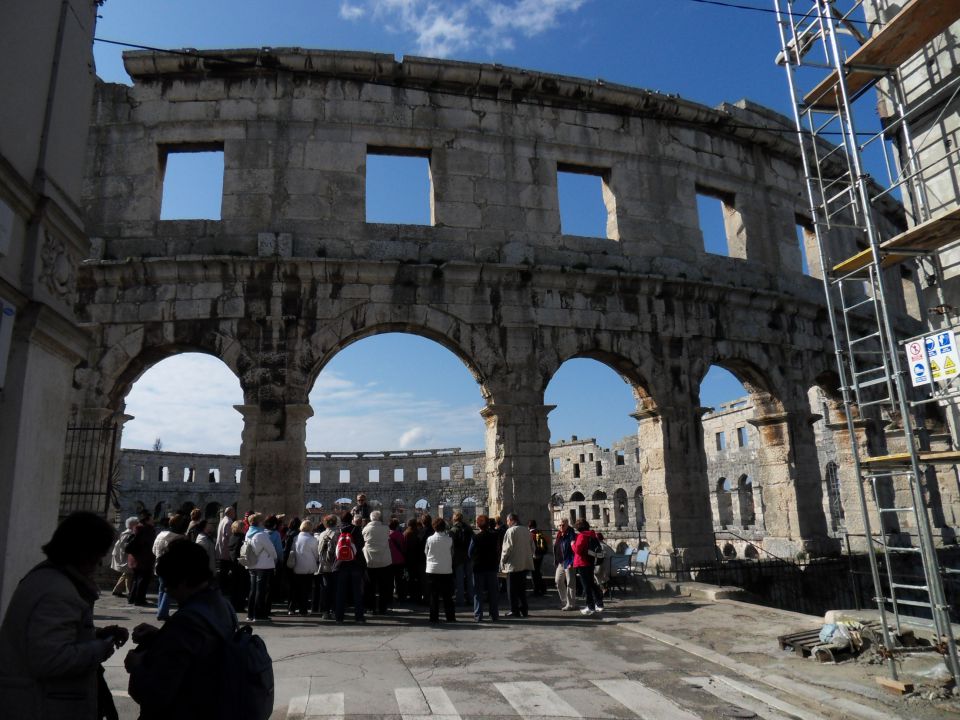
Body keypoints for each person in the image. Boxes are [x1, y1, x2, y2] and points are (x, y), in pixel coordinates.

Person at [0, 511, 129, 720]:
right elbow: (50, 659)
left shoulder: (45, 579)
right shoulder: (58, 592)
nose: (98, 565)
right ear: (86, 553)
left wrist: (92, 635)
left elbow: (45, 637)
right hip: (42, 705)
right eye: (98, 555)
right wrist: (101, 647)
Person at [125, 540, 243, 720]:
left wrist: (137, 666)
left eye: (169, 583)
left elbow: (156, 694)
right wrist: (161, 637)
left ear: (185, 580)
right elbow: (200, 650)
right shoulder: (221, 604)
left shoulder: (187, 622)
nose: (166, 589)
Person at [152, 513, 189, 621]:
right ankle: (162, 612)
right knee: (169, 589)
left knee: (161, 588)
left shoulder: (160, 535)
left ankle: (160, 610)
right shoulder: (179, 538)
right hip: (172, 566)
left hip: (159, 564)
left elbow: (153, 550)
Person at [500, 513, 534, 618]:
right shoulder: (526, 530)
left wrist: (502, 562)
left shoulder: (510, 531)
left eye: (507, 520)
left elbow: (507, 549)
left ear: (511, 520)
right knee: (521, 589)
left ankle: (514, 610)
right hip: (524, 564)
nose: (507, 523)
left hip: (513, 565)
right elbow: (533, 547)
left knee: (512, 590)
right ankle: (524, 609)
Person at [245, 513, 278, 622]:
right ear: (259, 522)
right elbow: (271, 549)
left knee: (253, 590)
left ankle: (250, 614)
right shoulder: (261, 534)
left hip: (252, 564)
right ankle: (259, 615)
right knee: (261, 590)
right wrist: (275, 557)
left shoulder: (248, 533)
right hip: (263, 565)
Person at [334, 512, 366, 623]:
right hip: (355, 563)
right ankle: (359, 617)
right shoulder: (356, 530)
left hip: (341, 564)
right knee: (357, 591)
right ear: (351, 519)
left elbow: (334, 547)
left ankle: (339, 617)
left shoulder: (337, 530)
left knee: (340, 591)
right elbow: (362, 545)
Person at [468, 515, 499, 622]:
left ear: (478, 525)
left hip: (478, 567)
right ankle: (494, 615)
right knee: (492, 592)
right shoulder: (494, 536)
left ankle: (478, 615)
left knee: (478, 592)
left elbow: (469, 553)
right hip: (491, 567)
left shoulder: (475, 538)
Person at [424, 517, 455, 623]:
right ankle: (450, 617)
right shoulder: (449, 539)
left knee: (434, 595)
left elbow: (426, 552)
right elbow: (452, 553)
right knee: (447, 595)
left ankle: (434, 617)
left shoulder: (429, 539)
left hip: (432, 569)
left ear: (434, 527)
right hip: (446, 569)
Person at [362, 510, 393, 614]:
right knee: (383, 586)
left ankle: (370, 607)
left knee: (370, 585)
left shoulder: (365, 529)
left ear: (371, 518)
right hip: (384, 561)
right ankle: (382, 608)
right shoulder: (386, 528)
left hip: (370, 560)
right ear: (379, 518)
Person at [572, 519, 603, 616]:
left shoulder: (582, 536)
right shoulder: (591, 534)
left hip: (582, 563)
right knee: (591, 584)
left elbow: (578, 550)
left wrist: (572, 544)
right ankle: (599, 604)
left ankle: (590, 607)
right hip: (590, 562)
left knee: (586, 586)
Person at [289, 520, 319, 615]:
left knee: (296, 589)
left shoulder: (295, 538)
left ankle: (292, 608)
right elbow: (316, 554)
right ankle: (303, 610)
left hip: (297, 566)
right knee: (305, 590)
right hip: (309, 567)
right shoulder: (313, 540)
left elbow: (292, 551)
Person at [126, 511, 157, 606]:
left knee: (136, 578)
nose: (153, 520)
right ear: (147, 520)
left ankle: (132, 598)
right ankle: (139, 599)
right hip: (144, 558)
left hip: (134, 558)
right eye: (151, 518)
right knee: (143, 580)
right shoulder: (148, 529)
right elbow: (150, 544)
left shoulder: (137, 527)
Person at [314, 514, 339, 618]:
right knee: (335, 589)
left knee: (325, 588)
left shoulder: (322, 534)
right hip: (335, 564)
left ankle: (325, 611)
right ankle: (334, 611)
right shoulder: (338, 533)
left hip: (324, 565)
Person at [448, 511, 475, 607]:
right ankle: (471, 599)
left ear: (454, 519)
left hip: (458, 558)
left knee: (459, 580)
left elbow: (451, 546)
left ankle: (460, 600)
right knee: (469, 579)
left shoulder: (453, 530)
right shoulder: (468, 528)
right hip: (468, 557)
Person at [111, 515, 139, 596]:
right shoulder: (129, 534)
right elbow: (124, 548)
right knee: (129, 574)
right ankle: (130, 592)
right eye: (137, 523)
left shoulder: (126, 533)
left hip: (125, 557)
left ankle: (117, 590)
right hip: (126, 557)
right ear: (133, 524)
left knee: (126, 573)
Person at [553, 517, 577, 611]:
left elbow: (574, 549)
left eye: (563, 525)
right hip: (561, 562)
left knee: (570, 582)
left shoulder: (571, 534)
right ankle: (564, 601)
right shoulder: (559, 534)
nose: (561, 526)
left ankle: (571, 604)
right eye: (560, 525)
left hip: (569, 561)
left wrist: (572, 561)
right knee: (558, 581)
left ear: (567, 525)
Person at [215, 506, 237, 592]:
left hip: (221, 549)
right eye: (234, 512)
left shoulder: (223, 520)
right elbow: (230, 537)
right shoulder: (229, 522)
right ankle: (223, 589)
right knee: (224, 571)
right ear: (230, 513)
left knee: (223, 570)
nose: (235, 514)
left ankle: (222, 587)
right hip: (226, 551)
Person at [403, 518, 424, 604]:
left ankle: (412, 596)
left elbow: (404, 547)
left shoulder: (406, 533)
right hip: (418, 558)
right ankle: (418, 595)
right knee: (417, 578)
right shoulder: (419, 533)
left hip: (409, 559)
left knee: (410, 578)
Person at [387, 517, 406, 602]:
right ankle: (400, 596)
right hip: (399, 560)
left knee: (389, 579)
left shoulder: (386, 535)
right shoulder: (400, 535)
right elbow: (403, 546)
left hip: (389, 560)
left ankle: (390, 596)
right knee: (399, 579)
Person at [528, 519, 548, 596]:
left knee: (534, 574)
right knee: (538, 572)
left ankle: (536, 590)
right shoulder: (539, 532)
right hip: (540, 555)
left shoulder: (531, 534)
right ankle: (542, 589)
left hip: (534, 555)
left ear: (529, 526)